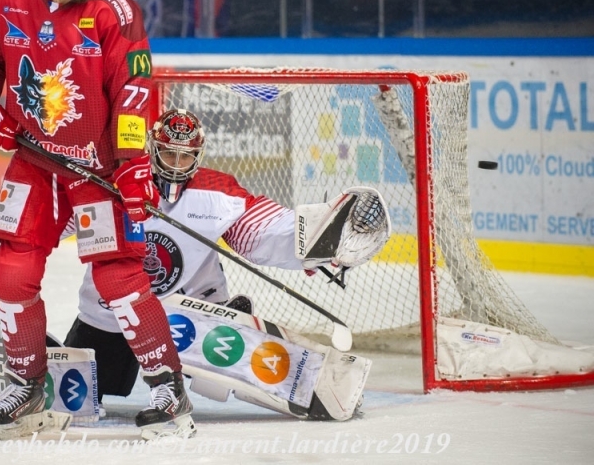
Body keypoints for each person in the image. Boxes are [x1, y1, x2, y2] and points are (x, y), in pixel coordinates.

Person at [0, 0, 194, 440]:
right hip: (36, 160)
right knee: (12, 271)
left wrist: (134, 165)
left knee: (118, 275)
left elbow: (134, 95)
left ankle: (167, 387)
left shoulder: (116, 12)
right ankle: (25, 383)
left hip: (98, 166)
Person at [61, 108, 390, 417]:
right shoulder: (112, 183)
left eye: (185, 155)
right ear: (152, 150)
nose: (176, 164)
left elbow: (261, 230)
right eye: (168, 154)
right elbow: (56, 220)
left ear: (197, 156)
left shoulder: (217, 192)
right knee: (74, 400)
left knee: (233, 359)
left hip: (190, 311)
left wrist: (317, 240)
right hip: (110, 315)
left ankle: (325, 387)